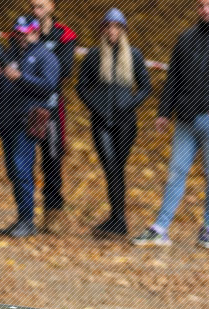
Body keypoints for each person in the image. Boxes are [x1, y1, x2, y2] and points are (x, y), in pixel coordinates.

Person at [132, 0, 209, 249]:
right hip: (185, 119)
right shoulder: (186, 37)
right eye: (201, 5)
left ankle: (208, 229)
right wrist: (164, 112)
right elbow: (173, 76)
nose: (205, 10)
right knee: (176, 172)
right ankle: (160, 228)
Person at [76, 8, 151, 236]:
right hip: (101, 122)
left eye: (116, 27)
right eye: (108, 26)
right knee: (111, 166)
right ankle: (118, 220)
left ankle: (118, 220)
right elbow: (81, 87)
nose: (112, 31)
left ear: (123, 30)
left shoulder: (134, 55)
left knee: (117, 167)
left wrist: (129, 104)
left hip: (125, 123)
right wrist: (96, 107)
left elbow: (146, 87)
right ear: (103, 29)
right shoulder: (94, 54)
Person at [0, 14, 60, 237]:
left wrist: (20, 78)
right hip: (7, 121)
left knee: (22, 168)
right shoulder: (11, 54)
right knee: (13, 170)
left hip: (27, 120)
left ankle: (27, 220)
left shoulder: (46, 56)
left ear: (36, 32)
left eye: (26, 34)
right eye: (18, 33)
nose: (21, 37)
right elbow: (0, 87)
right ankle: (22, 216)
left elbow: (49, 86)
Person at [29, 0, 77, 219]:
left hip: (51, 105)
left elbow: (64, 70)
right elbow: (16, 58)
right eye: (32, 6)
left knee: (52, 156)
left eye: (40, 5)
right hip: (25, 103)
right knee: (24, 158)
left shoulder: (65, 34)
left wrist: (35, 61)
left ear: (51, 6)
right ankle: (25, 213)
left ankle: (53, 210)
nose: (36, 10)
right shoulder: (23, 28)